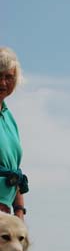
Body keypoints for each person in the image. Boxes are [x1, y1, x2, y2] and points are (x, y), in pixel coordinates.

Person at [0, 47, 28, 219]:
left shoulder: (9, 117)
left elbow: (14, 171)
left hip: (5, 213)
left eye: (8, 77)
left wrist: (19, 212)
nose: (2, 83)